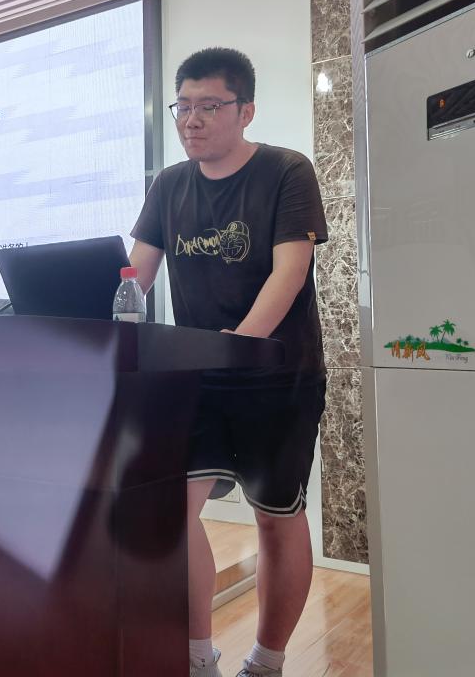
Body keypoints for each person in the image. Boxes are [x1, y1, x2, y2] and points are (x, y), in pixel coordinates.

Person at [129, 47, 328, 677]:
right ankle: (196, 659)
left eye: (209, 106)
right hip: (197, 381)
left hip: (278, 376)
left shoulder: (286, 171)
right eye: (183, 106)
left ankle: (266, 662)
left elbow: (289, 272)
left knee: (275, 518)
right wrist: (101, 307)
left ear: (246, 111)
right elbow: (135, 276)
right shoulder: (169, 185)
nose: (192, 119)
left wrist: (236, 345)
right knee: (172, 510)